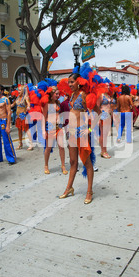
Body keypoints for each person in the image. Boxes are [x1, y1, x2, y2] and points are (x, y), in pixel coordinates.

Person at [59, 67, 101, 204]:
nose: (70, 84)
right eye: (69, 82)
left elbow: (98, 112)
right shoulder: (71, 96)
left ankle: (89, 191)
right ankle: (69, 188)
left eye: (72, 82)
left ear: (79, 82)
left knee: (87, 163)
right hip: (71, 132)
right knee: (72, 162)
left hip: (81, 132)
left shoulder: (84, 95)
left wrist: (89, 130)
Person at [42, 86, 68, 175]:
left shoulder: (58, 103)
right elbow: (43, 117)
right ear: (51, 94)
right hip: (50, 127)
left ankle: (63, 165)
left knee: (61, 147)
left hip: (59, 127)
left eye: (58, 94)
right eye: (56, 94)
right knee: (48, 148)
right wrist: (43, 131)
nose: (58, 95)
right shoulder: (46, 104)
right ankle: (46, 165)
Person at [0, 84, 17, 163]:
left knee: (6, 140)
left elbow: (9, 112)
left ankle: (11, 158)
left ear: (2, 91)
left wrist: (8, 126)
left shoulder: (6, 99)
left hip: (3, 121)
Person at [13, 84, 32, 150]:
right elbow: (13, 104)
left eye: (20, 90)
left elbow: (28, 103)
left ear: (23, 91)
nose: (18, 91)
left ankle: (31, 144)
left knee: (26, 130)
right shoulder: (17, 98)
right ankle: (20, 143)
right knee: (19, 130)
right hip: (17, 116)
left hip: (23, 116)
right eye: (18, 90)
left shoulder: (26, 97)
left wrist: (28, 107)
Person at [97, 84, 113, 158]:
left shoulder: (107, 96)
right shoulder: (101, 95)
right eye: (106, 86)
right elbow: (97, 107)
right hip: (103, 116)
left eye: (108, 86)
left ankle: (104, 150)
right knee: (103, 134)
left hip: (108, 116)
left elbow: (110, 107)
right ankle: (103, 151)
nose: (108, 87)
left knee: (105, 135)